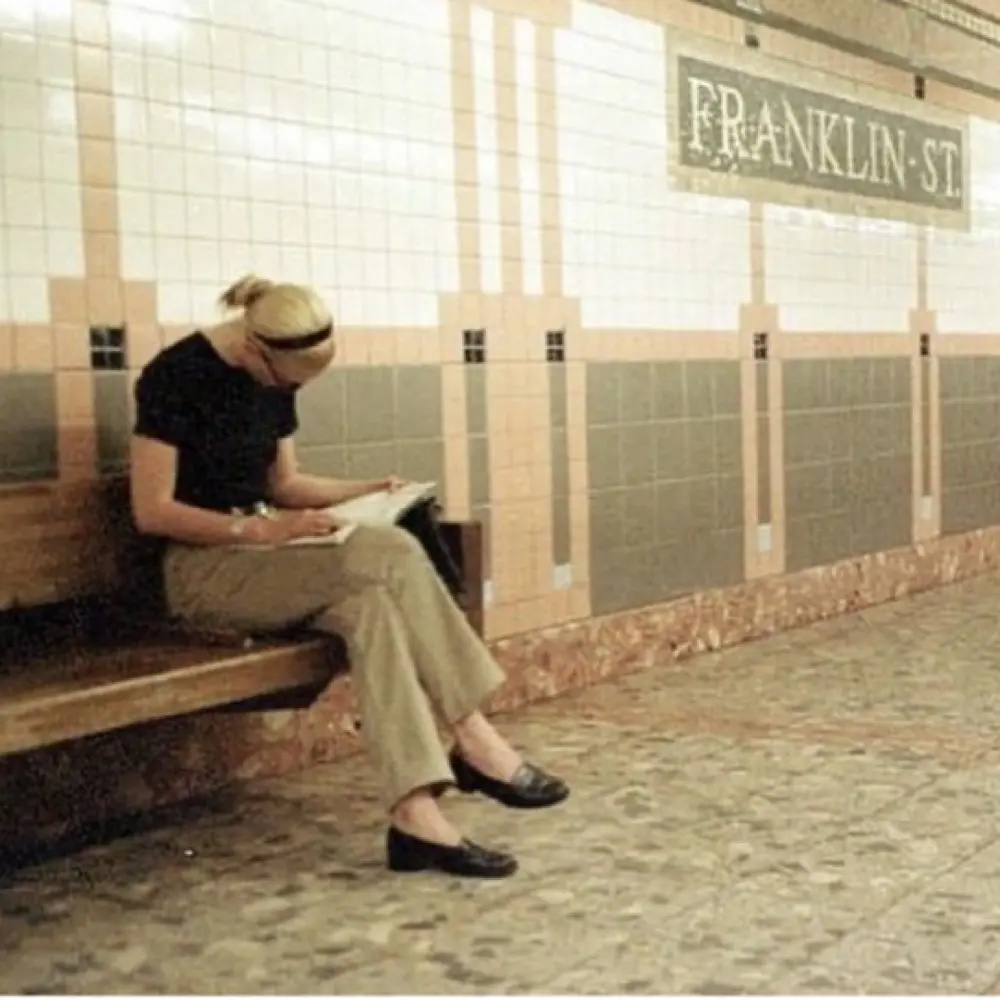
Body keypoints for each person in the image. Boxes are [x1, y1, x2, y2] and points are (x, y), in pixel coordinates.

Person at [129, 274, 569, 879]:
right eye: (289, 380)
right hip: (205, 573)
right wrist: (258, 531)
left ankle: (416, 819)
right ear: (259, 349)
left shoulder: (274, 376)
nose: (289, 391)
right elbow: (151, 511)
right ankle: (473, 736)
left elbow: (284, 486)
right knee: (388, 552)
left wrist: (368, 491)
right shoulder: (174, 377)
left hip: (272, 565)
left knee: (373, 610)